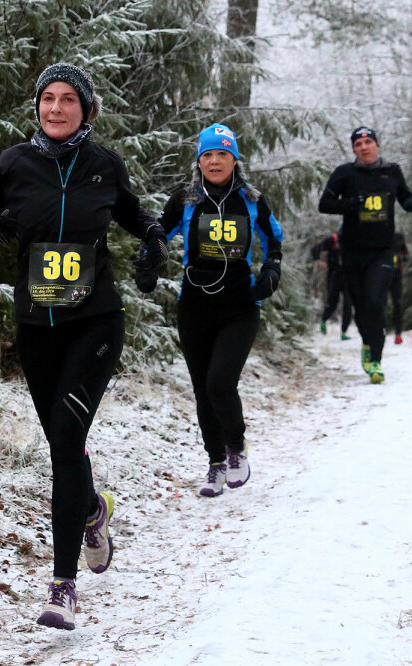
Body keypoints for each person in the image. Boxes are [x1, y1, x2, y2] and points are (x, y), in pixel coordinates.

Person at [0, 62, 167, 631]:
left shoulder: (102, 164)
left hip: (95, 321)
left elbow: (134, 214)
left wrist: (153, 244)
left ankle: (63, 586)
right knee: (63, 448)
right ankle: (93, 510)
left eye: (67, 99)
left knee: (68, 438)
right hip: (37, 325)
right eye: (47, 98)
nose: (55, 108)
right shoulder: (15, 163)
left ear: (85, 108)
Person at [136, 123, 283, 497]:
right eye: (207, 155)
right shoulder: (185, 200)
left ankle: (236, 448)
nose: (215, 161)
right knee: (203, 390)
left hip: (239, 306)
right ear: (198, 161)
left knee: (220, 383)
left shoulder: (252, 200)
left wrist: (271, 268)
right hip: (195, 306)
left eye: (222, 154)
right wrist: (148, 263)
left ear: (234, 159)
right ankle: (215, 464)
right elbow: (158, 233)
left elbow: (274, 239)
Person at [317, 126, 412, 383]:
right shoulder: (344, 174)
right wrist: (352, 203)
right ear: (354, 149)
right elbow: (325, 204)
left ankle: (376, 361)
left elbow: (403, 192)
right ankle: (368, 345)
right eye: (358, 144)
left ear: (377, 145)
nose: (364, 147)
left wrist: (408, 202)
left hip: (382, 251)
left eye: (368, 142)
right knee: (361, 308)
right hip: (352, 251)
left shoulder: (391, 171)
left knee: (376, 302)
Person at [310, 232, 352, 340]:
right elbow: (316, 248)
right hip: (334, 275)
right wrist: (318, 260)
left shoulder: (355, 240)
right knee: (333, 301)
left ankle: (344, 332)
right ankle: (324, 320)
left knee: (348, 303)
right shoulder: (333, 240)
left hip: (349, 276)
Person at [390, 232, 408, 344]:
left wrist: (396, 257)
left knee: (396, 304)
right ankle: (397, 333)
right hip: (388, 275)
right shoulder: (379, 236)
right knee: (395, 304)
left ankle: (398, 333)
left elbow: (406, 256)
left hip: (395, 275)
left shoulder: (399, 238)